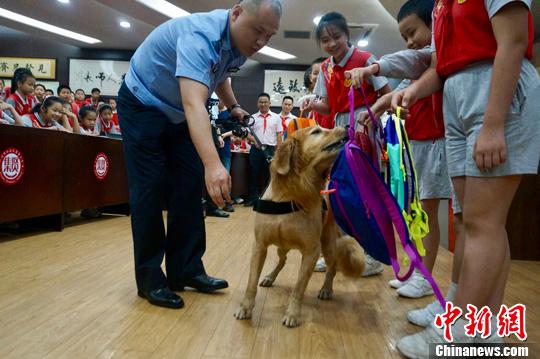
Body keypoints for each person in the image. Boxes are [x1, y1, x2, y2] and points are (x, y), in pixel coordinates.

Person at [392, 0, 538, 357]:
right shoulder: (442, 4)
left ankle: (455, 334)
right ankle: (485, 326)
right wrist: (413, 90)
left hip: (492, 91)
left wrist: (493, 123)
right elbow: (440, 67)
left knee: (482, 223)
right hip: (456, 96)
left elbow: (514, 41)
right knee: (478, 223)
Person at [117, 0, 282, 309]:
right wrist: (213, 163)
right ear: (236, 13)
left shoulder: (235, 44)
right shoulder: (200, 35)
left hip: (177, 112)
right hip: (142, 104)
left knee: (189, 186)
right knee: (149, 190)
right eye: (258, 31)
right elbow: (195, 103)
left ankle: (186, 269)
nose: (261, 42)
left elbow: (218, 74)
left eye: (269, 36)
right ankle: (151, 279)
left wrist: (232, 105)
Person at [302, 12, 392, 277]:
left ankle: (373, 256)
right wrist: (311, 102)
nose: (331, 44)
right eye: (325, 40)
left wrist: (371, 116)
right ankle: (334, 252)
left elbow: (388, 95)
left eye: (336, 37)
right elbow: (327, 106)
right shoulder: (327, 68)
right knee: (337, 193)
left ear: (348, 35)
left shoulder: (366, 60)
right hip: (338, 131)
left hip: (364, 128)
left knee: (365, 193)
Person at [244, 92, 282, 207]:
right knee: (253, 174)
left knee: (268, 175)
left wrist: (278, 151)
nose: (263, 104)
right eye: (261, 102)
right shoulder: (252, 118)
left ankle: (267, 198)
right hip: (256, 150)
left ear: (270, 103)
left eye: (265, 102)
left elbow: (279, 134)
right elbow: (247, 133)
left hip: (270, 149)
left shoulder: (276, 117)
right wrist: (254, 141)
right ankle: (253, 199)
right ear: (257, 103)